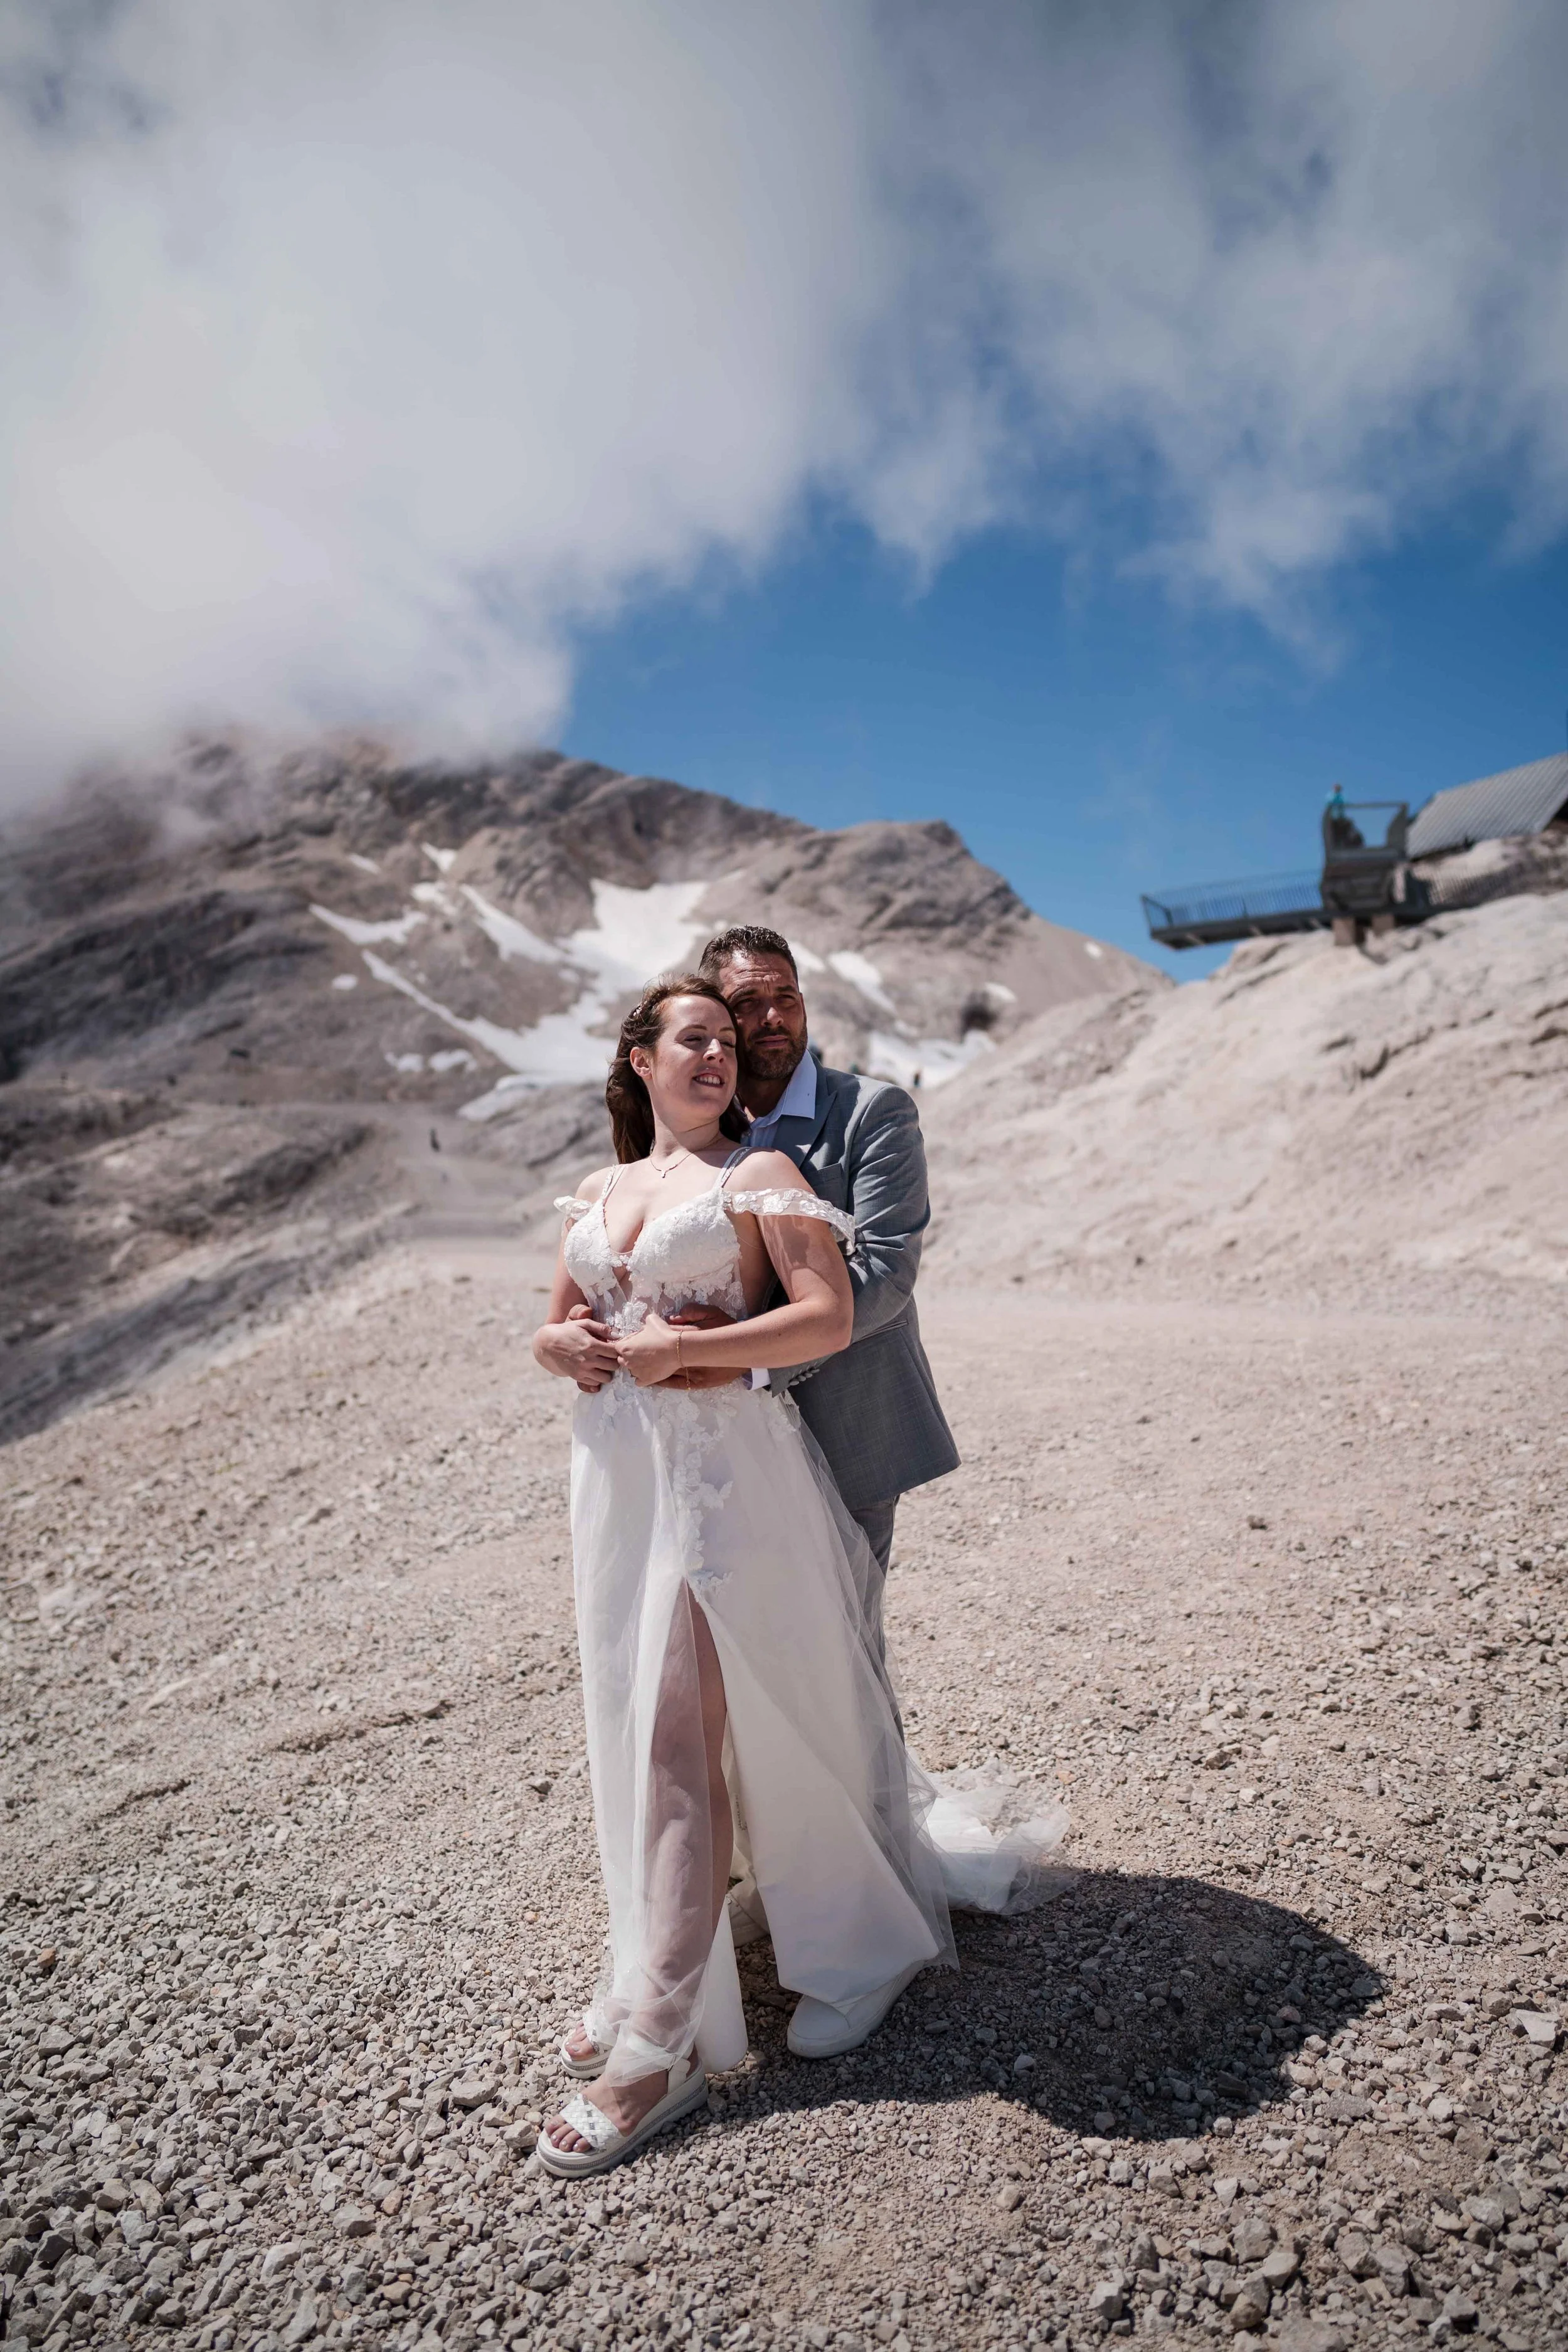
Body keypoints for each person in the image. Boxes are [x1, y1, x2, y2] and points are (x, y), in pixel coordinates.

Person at [529, 976, 1059, 2178]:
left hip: (730, 1486)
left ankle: (664, 2042)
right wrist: (557, 1344)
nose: (719, 1057)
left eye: (730, 1041)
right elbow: (556, 1320)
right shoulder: (602, 1190)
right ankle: (656, 1957)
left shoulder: (760, 1178)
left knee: (676, 1731)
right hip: (618, 1488)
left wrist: (694, 1350)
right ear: (639, 1059)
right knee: (638, 1729)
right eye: (694, 1040)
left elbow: (824, 1317)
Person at [694, 925, 959, 1601]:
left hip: (848, 1427)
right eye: (749, 1002)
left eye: (786, 996)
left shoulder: (872, 1112)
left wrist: (740, 1364)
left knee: (842, 1654)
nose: (774, 1016)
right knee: (744, 1645)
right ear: (717, 1018)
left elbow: (886, 1273)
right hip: (721, 1440)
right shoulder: (697, 1125)